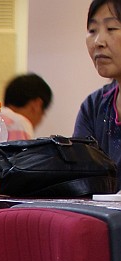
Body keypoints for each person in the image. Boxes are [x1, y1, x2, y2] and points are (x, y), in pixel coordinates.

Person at [74, 0, 121, 189]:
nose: (98, 42)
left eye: (111, 28)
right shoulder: (93, 107)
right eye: (92, 30)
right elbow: (80, 179)